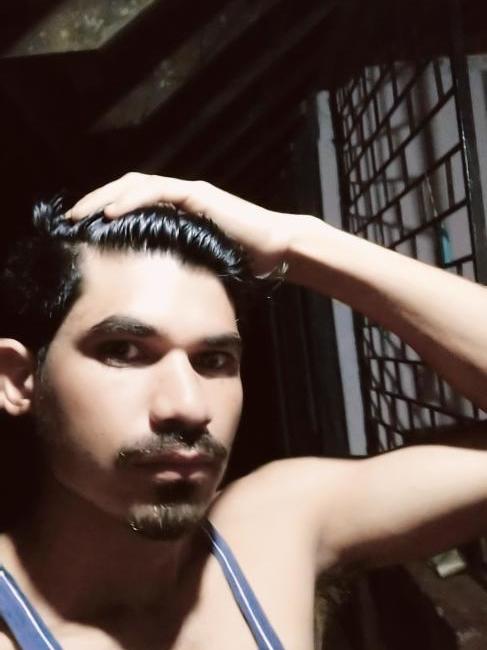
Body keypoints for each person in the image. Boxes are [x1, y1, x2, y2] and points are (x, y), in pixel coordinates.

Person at [1, 172, 487, 650]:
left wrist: (294, 239)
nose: (189, 407)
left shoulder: (273, 527)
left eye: (213, 360)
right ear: (19, 380)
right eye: (123, 351)